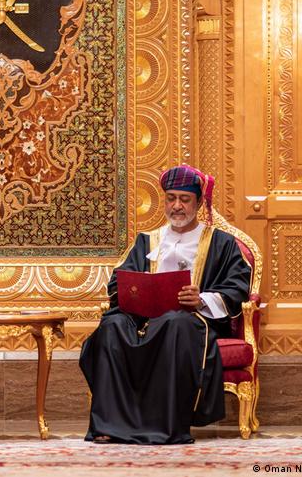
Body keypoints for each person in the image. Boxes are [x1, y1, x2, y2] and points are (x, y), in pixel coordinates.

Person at [79, 164, 251, 444]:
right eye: (171, 198)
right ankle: (110, 424)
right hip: (142, 318)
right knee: (112, 326)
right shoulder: (147, 241)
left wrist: (201, 299)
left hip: (191, 320)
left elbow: (237, 288)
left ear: (198, 203)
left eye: (184, 199)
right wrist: (138, 290)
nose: (177, 206)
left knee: (174, 323)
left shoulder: (222, 243)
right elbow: (118, 282)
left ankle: (165, 426)